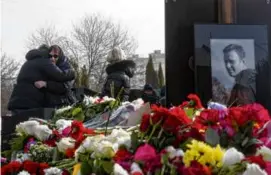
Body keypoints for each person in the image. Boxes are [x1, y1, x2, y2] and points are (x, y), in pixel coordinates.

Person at [7, 47, 75, 115]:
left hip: (18, 102)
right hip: (32, 104)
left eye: (55, 56)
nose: (52, 58)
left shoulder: (29, 62)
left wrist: (46, 84)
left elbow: (64, 86)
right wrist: (72, 73)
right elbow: (60, 75)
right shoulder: (44, 62)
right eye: (50, 56)